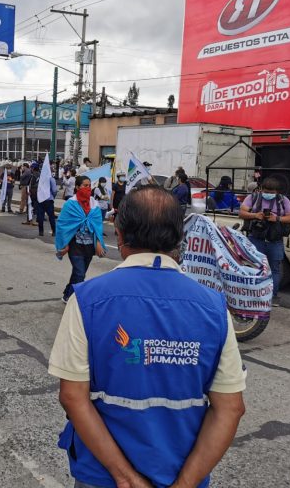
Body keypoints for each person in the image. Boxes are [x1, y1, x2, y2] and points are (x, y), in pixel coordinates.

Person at [49, 186, 246, 488]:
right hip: (180, 472)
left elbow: (72, 397)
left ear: (119, 233)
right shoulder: (214, 308)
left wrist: (125, 478)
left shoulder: (88, 300)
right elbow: (230, 407)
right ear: (180, 237)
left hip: (103, 476)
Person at [239, 176, 290, 305]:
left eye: (271, 193)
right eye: (266, 192)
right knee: (253, 267)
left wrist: (277, 219)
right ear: (261, 189)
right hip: (256, 238)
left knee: (274, 269)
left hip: (275, 241)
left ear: (277, 192)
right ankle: (253, 294)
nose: (268, 195)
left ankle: (272, 296)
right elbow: (241, 213)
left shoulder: (283, 200)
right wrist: (255, 215)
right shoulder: (253, 198)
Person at [55, 176, 106, 304]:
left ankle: (67, 294)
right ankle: (76, 302)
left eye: (89, 185)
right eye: (85, 185)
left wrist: (98, 242)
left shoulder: (94, 204)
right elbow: (62, 225)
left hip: (89, 247)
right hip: (75, 246)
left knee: (78, 274)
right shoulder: (70, 204)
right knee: (80, 274)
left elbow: (98, 226)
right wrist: (64, 244)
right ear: (77, 187)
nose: (88, 188)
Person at [37, 166, 58, 237]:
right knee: (51, 216)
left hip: (41, 199)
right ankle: (54, 231)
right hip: (49, 200)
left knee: (40, 216)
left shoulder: (40, 179)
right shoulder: (51, 179)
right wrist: (53, 196)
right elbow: (54, 190)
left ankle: (41, 231)